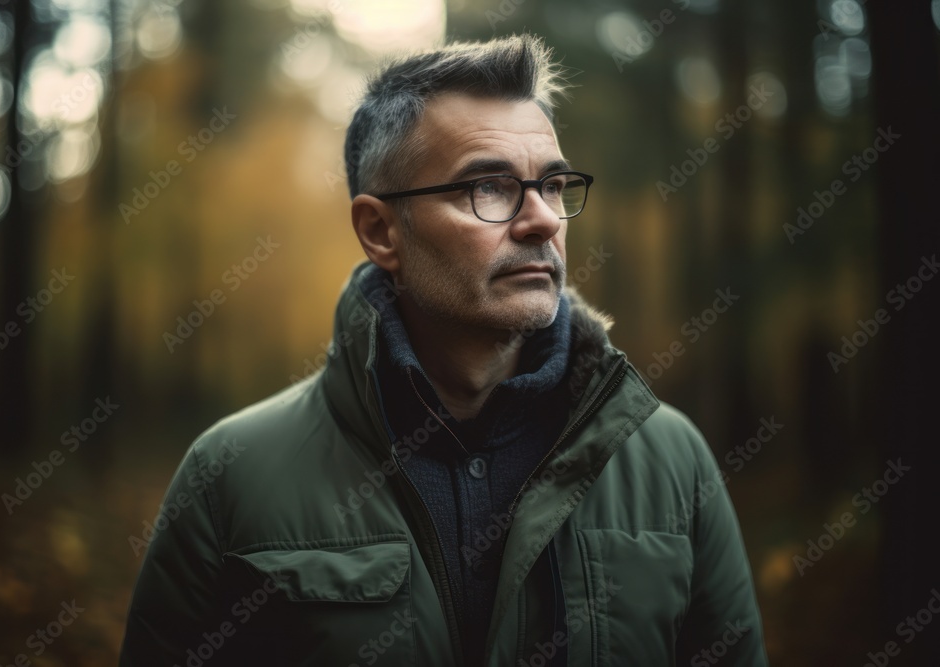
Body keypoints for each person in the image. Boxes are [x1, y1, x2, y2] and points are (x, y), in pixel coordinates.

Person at [120, 33, 769, 667]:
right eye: (488, 187)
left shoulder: (672, 461)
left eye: (552, 184)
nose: (543, 218)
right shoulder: (230, 475)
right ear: (381, 231)